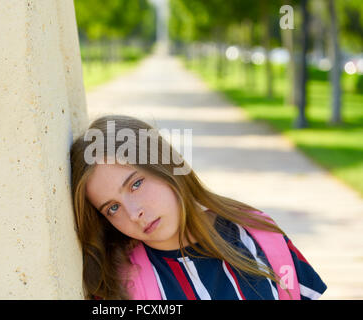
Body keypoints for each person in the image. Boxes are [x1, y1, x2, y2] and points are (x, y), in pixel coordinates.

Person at [70, 114, 327, 300]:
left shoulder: (257, 233)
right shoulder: (121, 284)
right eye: (112, 208)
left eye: (136, 184)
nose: (134, 213)